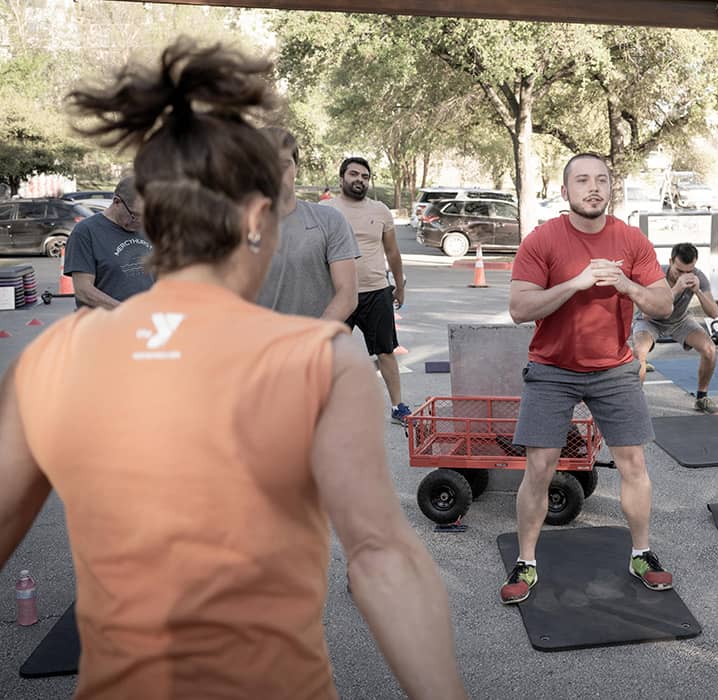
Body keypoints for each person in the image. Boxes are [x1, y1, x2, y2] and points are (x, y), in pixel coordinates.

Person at [0, 40, 464, 699]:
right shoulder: (319, 359)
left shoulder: (53, 356)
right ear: (253, 218)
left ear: (153, 217)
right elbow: (383, 559)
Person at [501, 152, 674, 605]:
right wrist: (575, 285)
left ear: (610, 188)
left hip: (613, 368)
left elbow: (663, 305)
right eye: (582, 180)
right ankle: (526, 561)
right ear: (565, 191)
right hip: (551, 368)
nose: (593, 187)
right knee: (539, 468)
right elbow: (519, 309)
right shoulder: (542, 240)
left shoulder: (631, 240)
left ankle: (642, 553)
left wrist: (628, 287)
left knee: (634, 464)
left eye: (601, 180)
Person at [323, 157, 410, 424]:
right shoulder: (325, 210)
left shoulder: (380, 210)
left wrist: (399, 285)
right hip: (338, 293)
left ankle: (398, 407)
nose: (359, 180)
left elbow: (392, 251)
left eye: (364, 176)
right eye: (354, 174)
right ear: (341, 178)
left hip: (376, 291)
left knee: (385, 351)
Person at [256, 128, 359, 322]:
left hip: (313, 347)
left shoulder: (330, 221)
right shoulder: (230, 226)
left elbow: (347, 294)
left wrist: (310, 339)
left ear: (296, 168)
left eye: (283, 165)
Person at [630, 241, 718, 414]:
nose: (684, 275)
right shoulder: (656, 274)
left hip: (679, 320)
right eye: (679, 271)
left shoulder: (698, 277)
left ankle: (701, 398)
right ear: (671, 261)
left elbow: (713, 313)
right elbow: (648, 312)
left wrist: (698, 292)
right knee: (639, 352)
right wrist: (677, 289)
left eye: (689, 271)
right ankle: (636, 403)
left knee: (709, 349)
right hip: (650, 320)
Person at [63, 175, 154, 309]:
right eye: (135, 216)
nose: (141, 223)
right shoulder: (86, 232)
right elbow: (83, 291)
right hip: (103, 324)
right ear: (117, 202)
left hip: (146, 323)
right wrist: (126, 312)